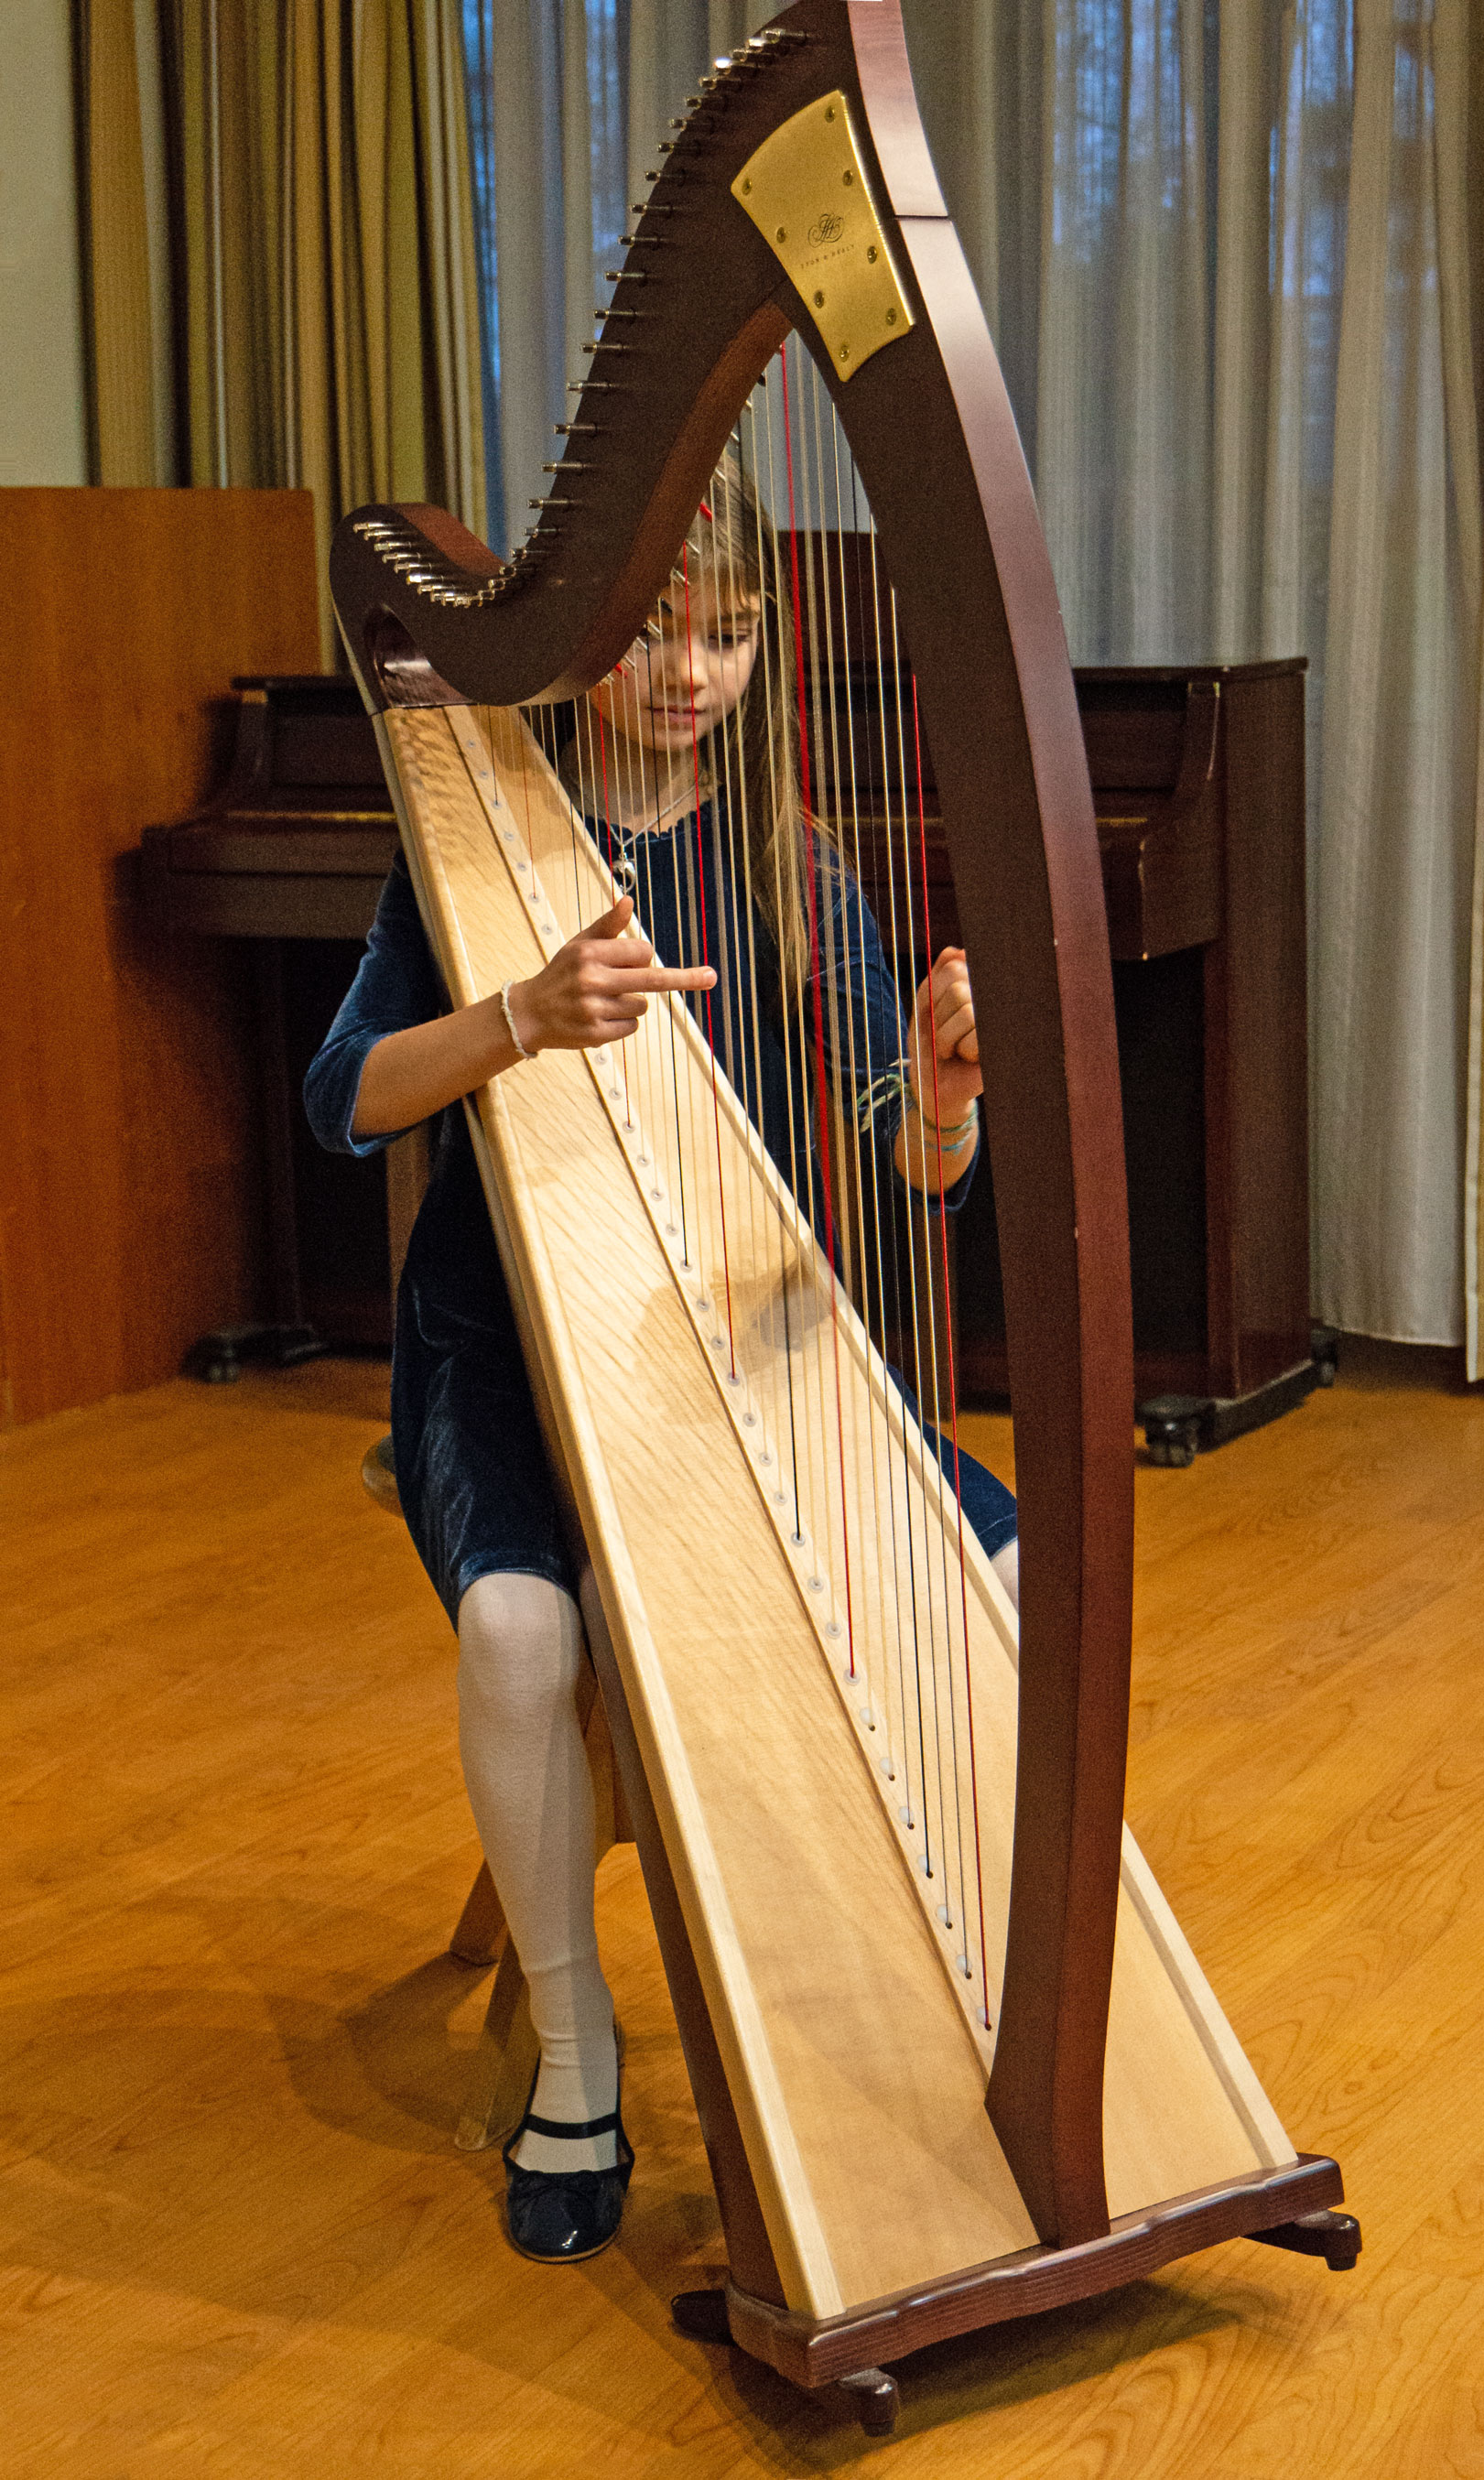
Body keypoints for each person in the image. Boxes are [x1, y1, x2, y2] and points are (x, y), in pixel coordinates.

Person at [304, 460, 1017, 2268]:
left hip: (732, 1349)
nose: (694, 672)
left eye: (734, 632)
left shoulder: (792, 868)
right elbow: (342, 1096)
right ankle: (574, 2047)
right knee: (520, 1628)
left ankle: (953, 1989)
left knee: (987, 1565)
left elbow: (909, 1155)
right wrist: (516, 1015)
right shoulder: (476, 837)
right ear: (586, 641)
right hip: (499, 1343)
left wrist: (944, 1099)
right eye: (657, 635)